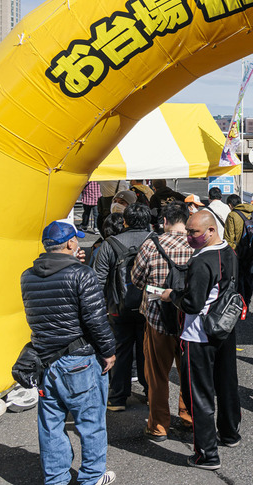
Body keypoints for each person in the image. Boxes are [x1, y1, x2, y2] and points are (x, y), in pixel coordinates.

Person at [22, 219, 117, 485]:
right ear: (71, 243)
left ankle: (56, 478)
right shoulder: (81, 274)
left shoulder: (27, 275)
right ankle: (92, 477)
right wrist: (109, 351)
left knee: (50, 423)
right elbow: (96, 320)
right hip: (78, 359)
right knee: (91, 422)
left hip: (45, 359)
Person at [160, 210, 241, 470]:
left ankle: (206, 454)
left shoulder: (201, 261)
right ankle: (230, 433)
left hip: (199, 334)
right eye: (188, 231)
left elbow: (193, 304)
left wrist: (172, 295)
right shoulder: (229, 251)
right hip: (224, 327)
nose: (189, 237)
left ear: (210, 231)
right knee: (227, 383)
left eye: (194, 232)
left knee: (199, 395)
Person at [130, 201, 194, 441]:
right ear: (187, 220)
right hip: (188, 319)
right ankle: (188, 418)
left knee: (157, 375)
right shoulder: (195, 244)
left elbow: (136, 280)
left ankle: (158, 425)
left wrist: (155, 289)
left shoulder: (151, 244)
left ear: (164, 221)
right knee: (188, 371)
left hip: (157, 318)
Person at [94, 202, 152, 412]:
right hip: (149, 308)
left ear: (125, 221)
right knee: (147, 351)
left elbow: (98, 279)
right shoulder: (154, 241)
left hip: (118, 308)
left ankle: (118, 398)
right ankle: (150, 393)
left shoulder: (110, 244)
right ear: (148, 221)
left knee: (120, 350)